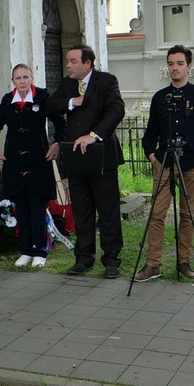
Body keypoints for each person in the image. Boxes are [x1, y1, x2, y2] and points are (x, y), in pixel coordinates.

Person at [133, 45, 194, 282]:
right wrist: (151, 155)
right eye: (171, 63)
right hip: (164, 163)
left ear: (189, 67)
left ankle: (183, 261)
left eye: (180, 63)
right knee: (156, 214)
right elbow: (150, 132)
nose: (175, 68)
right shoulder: (160, 98)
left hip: (193, 163)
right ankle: (153, 264)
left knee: (187, 215)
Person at [45, 44, 126, 279]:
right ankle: (83, 258)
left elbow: (116, 110)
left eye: (73, 61)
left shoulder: (106, 81)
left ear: (87, 63)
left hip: (101, 156)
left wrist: (93, 136)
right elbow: (50, 105)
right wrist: (72, 102)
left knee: (108, 211)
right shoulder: (68, 84)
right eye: (68, 60)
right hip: (76, 159)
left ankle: (111, 260)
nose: (68, 65)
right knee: (81, 209)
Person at [0, 64, 66, 268]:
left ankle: (40, 251)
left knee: (38, 208)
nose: (22, 81)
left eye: (25, 77)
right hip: (15, 161)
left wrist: (57, 143)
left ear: (31, 78)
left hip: (38, 161)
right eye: (17, 78)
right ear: (13, 81)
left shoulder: (42, 97)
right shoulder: (7, 101)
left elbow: (60, 123)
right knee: (21, 209)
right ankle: (25, 251)